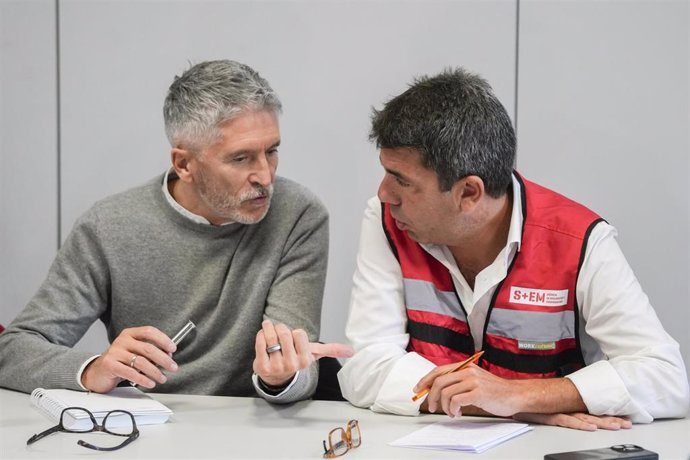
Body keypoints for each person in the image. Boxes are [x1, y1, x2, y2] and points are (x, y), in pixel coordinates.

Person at [337, 67, 689, 430]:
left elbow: (665, 378)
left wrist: (518, 395)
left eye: (401, 180)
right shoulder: (388, 220)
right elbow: (363, 366)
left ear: (469, 193)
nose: (384, 193)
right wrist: (501, 406)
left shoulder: (578, 239)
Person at [0, 59, 351, 403]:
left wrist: (283, 378)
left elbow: (299, 369)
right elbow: (12, 351)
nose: (265, 176)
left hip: (252, 426)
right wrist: (92, 369)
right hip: (146, 428)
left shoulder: (298, 214)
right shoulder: (108, 226)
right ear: (184, 164)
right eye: (241, 158)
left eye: (271, 151)